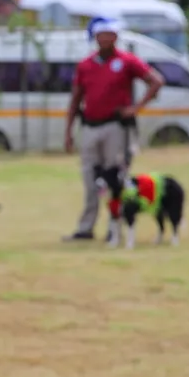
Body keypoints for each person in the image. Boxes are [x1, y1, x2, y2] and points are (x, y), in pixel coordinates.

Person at [62, 17, 164, 242]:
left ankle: (114, 227)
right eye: (102, 34)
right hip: (90, 125)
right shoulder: (85, 65)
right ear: (95, 37)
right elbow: (76, 98)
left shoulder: (127, 61)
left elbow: (156, 80)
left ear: (116, 37)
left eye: (110, 34)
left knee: (116, 179)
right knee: (90, 178)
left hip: (116, 126)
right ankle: (86, 227)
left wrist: (136, 108)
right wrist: (68, 131)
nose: (106, 38)